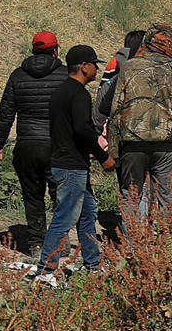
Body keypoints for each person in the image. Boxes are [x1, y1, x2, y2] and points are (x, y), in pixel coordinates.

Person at [36, 45, 115, 283]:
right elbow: (82, 130)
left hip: (65, 161)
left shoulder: (60, 91)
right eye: (94, 64)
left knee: (87, 213)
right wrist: (103, 157)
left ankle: (93, 264)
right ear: (83, 67)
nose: (96, 69)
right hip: (71, 166)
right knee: (65, 217)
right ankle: (45, 271)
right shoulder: (79, 94)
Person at [0, 31, 69, 256]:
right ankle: (60, 243)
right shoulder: (65, 76)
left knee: (33, 195)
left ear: (33, 51)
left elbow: (6, 112)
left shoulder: (17, 75)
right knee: (60, 194)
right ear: (56, 51)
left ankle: (35, 244)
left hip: (27, 144)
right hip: (57, 145)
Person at [110, 23, 172, 223]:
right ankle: (166, 249)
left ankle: (132, 249)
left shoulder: (129, 67)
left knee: (131, 197)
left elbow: (116, 110)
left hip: (133, 144)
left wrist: (113, 150)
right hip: (167, 145)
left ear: (147, 43)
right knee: (168, 199)